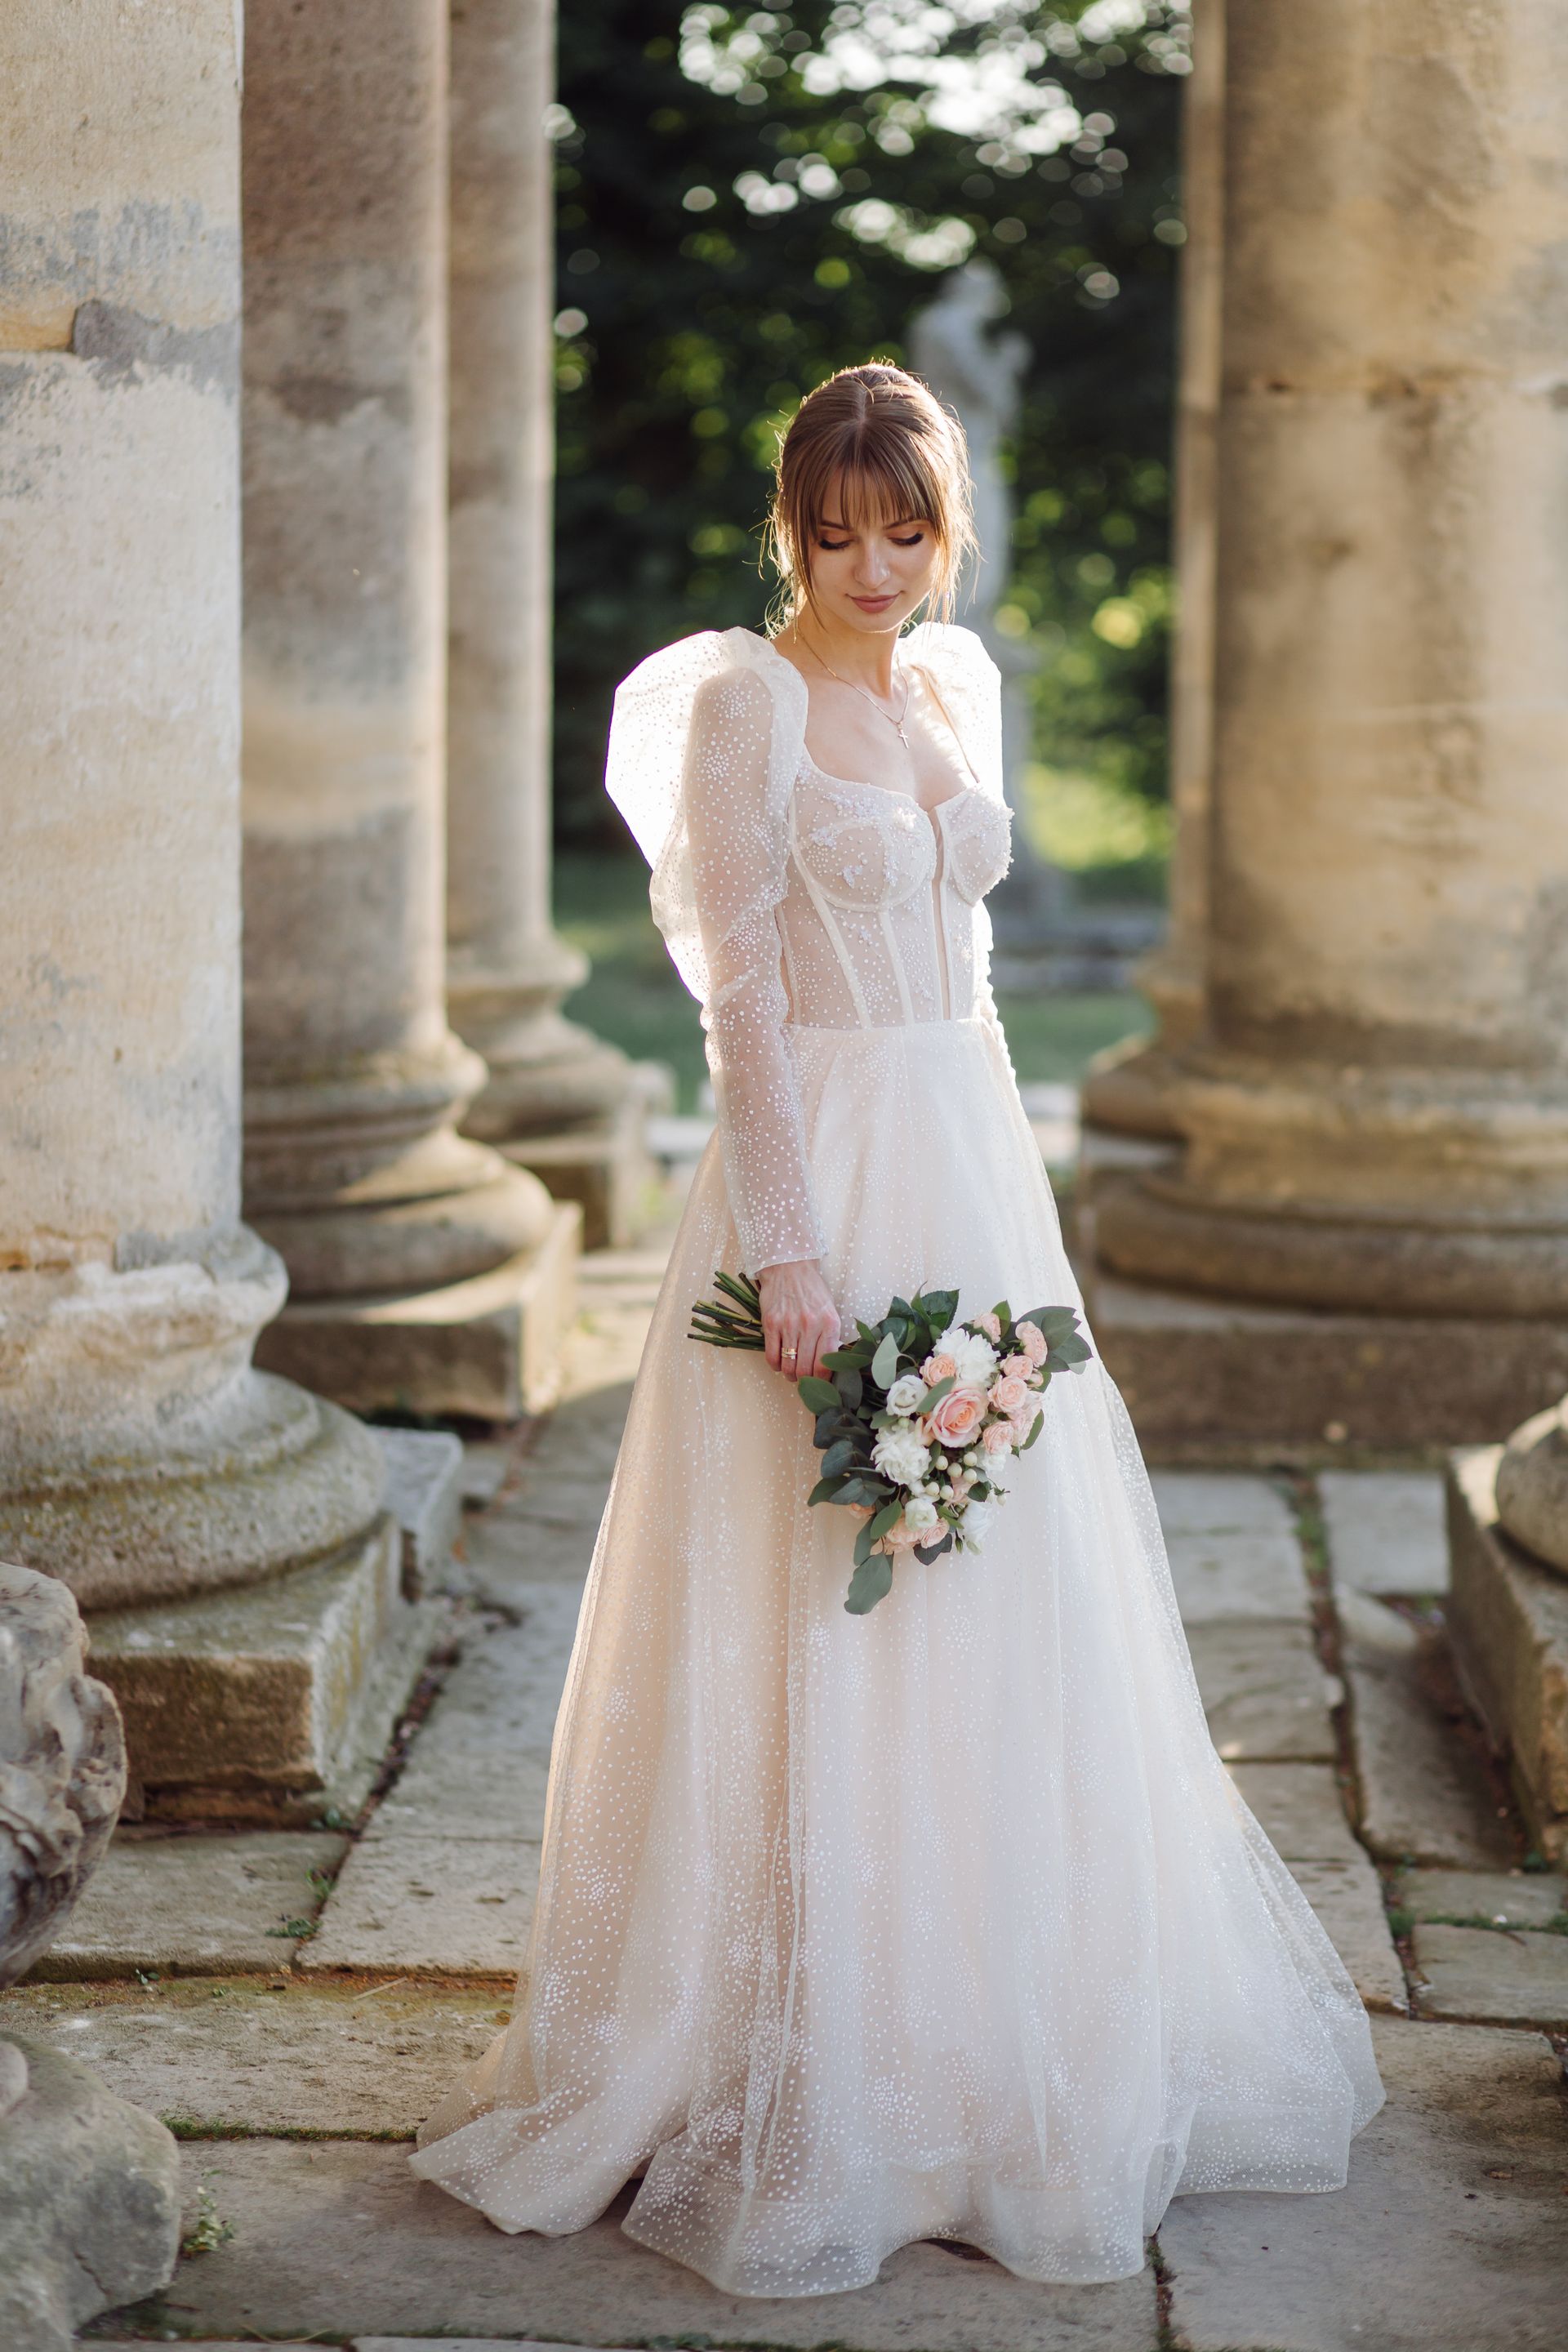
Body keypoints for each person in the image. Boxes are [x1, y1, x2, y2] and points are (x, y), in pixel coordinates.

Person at [410, 363, 1383, 2295]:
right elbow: (744, 997)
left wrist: (1007, 1195)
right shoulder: (741, 707)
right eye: (835, 530)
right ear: (789, 528)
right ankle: (802, 2033)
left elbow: (983, 975)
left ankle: (992, 2019)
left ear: (948, 526)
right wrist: (789, 1251)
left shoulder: (953, 688)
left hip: (964, 1145)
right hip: (826, 1163)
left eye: (906, 528)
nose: (871, 565)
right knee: (818, 1573)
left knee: (1000, 1582)